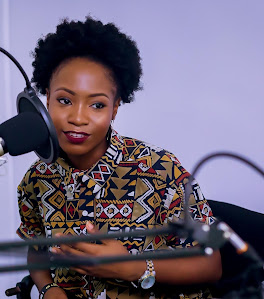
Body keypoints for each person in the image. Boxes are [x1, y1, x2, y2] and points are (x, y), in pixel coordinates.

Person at [16, 17, 222, 299]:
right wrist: (48, 288)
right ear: (47, 98)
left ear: (114, 109)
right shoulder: (37, 178)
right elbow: (36, 249)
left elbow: (211, 265)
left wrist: (134, 268)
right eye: (64, 100)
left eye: (97, 105)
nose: (77, 118)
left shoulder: (161, 170)